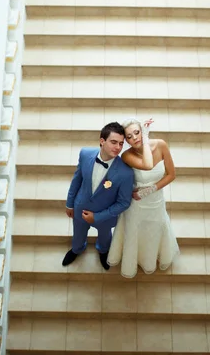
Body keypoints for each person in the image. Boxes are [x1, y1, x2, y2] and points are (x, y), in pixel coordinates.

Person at [107, 117, 179, 278]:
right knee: (134, 230)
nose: (134, 138)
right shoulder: (126, 156)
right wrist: (145, 140)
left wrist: (149, 190)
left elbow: (171, 174)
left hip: (155, 200)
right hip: (136, 205)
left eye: (137, 133)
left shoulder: (161, 145)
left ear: (143, 131)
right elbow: (147, 165)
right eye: (129, 137)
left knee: (155, 229)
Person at [63, 122, 135, 270]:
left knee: (105, 238)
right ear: (102, 141)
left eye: (121, 144)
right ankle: (76, 249)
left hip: (105, 216)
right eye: (113, 142)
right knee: (78, 234)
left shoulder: (126, 172)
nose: (118, 148)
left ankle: (103, 251)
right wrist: (70, 204)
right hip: (80, 207)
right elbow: (77, 180)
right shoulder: (85, 154)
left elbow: (124, 203)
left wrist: (97, 217)